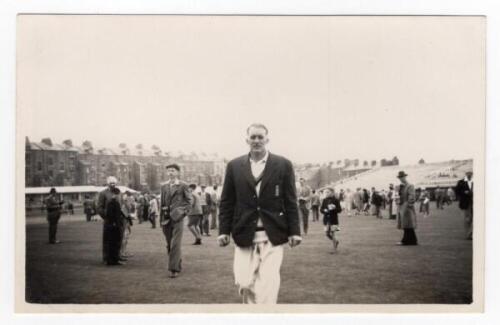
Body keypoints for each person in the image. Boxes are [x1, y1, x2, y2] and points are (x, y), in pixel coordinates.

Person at [217, 123, 301, 304]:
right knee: (244, 282)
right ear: (246, 139)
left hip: (273, 234)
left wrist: (295, 231)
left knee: (268, 285)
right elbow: (227, 201)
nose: (256, 141)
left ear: (267, 139)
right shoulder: (234, 165)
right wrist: (224, 231)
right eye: (253, 137)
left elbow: (290, 200)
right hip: (244, 232)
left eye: (260, 137)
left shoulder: (283, 164)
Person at [160, 164, 193, 278]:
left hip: (178, 219)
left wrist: (182, 212)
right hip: (166, 219)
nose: (170, 173)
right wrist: (161, 219)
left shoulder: (183, 185)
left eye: (173, 171)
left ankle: (173, 269)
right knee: (169, 244)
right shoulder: (164, 186)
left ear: (177, 172)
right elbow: (162, 203)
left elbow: (189, 202)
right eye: (168, 171)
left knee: (175, 244)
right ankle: (177, 263)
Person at [97, 176, 126, 265]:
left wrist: (123, 216)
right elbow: (99, 207)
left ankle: (116, 257)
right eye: (111, 183)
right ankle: (106, 258)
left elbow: (122, 205)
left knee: (118, 239)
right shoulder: (103, 193)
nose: (112, 185)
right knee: (107, 239)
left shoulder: (119, 193)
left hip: (118, 220)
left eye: (114, 183)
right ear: (107, 184)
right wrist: (106, 215)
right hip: (108, 220)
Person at [396, 171, 418, 246]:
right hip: (402, 206)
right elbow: (398, 196)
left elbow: (412, 196)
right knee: (406, 224)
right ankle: (410, 240)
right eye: (400, 177)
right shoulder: (401, 187)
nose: (401, 179)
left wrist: (408, 204)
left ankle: (407, 240)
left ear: (405, 177)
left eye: (402, 177)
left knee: (408, 224)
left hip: (407, 207)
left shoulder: (410, 186)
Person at [320, 187, 342, 253]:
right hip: (326, 219)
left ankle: (335, 249)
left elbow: (339, 210)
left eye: (328, 192)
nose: (326, 193)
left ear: (332, 192)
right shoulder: (324, 200)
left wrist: (334, 208)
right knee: (327, 234)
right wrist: (324, 210)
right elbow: (321, 209)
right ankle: (336, 241)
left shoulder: (336, 200)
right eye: (326, 192)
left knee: (333, 233)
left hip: (333, 219)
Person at [455, 170, 473, 240]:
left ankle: (471, 233)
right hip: (466, 203)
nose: (469, 175)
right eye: (468, 173)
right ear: (466, 174)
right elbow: (457, 191)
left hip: (476, 202)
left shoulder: (476, 181)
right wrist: (464, 192)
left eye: (471, 173)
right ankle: (468, 234)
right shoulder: (461, 182)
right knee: (468, 219)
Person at [120, 191, 134, 261]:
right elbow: (126, 215)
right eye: (126, 200)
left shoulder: (125, 206)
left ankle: (123, 252)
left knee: (126, 238)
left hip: (126, 223)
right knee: (124, 238)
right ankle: (122, 253)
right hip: (124, 223)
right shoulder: (123, 207)